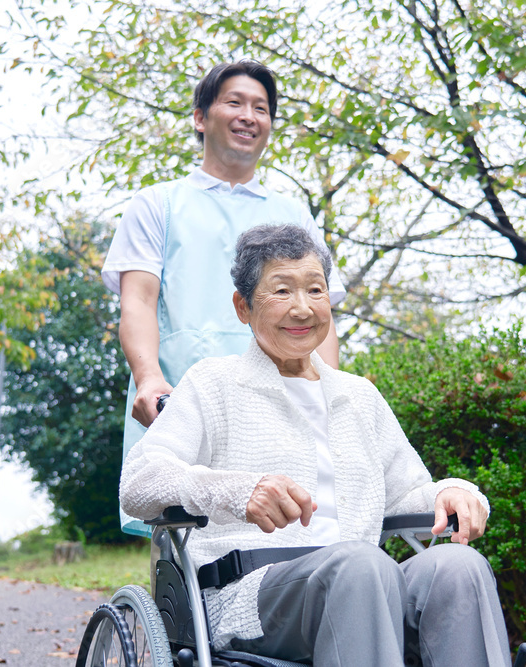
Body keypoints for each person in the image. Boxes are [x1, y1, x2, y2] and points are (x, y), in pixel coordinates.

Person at [120, 225, 512, 666]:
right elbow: (139, 481)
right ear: (243, 307)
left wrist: (450, 492)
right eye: (282, 290)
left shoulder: (357, 396)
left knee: (459, 568)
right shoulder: (213, 383)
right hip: (250, 595)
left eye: (315, 290)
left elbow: (404, 495)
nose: (302, 308)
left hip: (366, 585)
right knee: (360, 566)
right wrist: (236, 490)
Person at [101, 60, 346, 537]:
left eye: (261, 108)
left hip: (280, 399)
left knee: (289, 531)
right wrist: (149, 379)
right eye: (234, 102)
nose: (248, 115)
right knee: (185, 540)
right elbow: (138, 302)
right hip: (183, 401)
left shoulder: (293, 213)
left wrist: (332, 393)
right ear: (200, 117)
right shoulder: (158, 204)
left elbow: (321, 316)